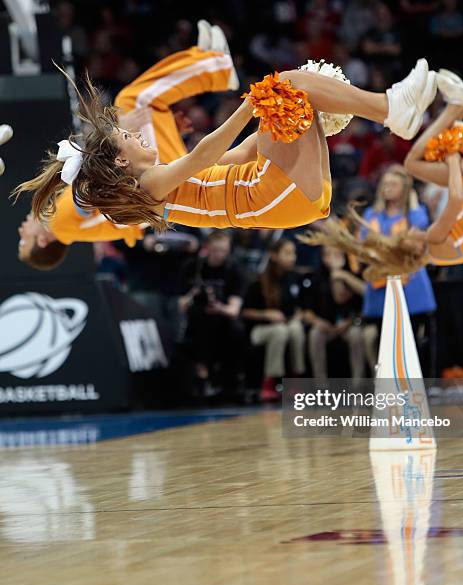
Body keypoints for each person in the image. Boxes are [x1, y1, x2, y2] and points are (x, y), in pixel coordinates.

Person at [13, 55, 438, 233]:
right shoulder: (152, 186)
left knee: (289, 94)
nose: (138, 133)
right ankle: (390, 109)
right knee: (283, 86)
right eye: (129, 136)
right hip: (271, 196)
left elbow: (233, 156)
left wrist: (269, 121)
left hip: (285, 196)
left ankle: (390, 110)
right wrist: (251, 106)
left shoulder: (161, 185)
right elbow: (206, 152)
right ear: (123, 161)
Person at [14, 22, 239, 269]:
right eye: (24, 242)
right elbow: (92, 187)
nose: (21, 231)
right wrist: (109, 140)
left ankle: (207, 61)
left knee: (144, 105)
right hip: (147, 183)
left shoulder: (68, 226)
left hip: (147, 188)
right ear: (43, 240)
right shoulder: (60, 224)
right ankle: (216, 67)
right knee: (134, 101)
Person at [300, 70, 463, 279]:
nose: (412, 229)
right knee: (423, 158)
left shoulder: (436, 253)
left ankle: (458, 106)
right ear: (414, 248)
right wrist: (452, 159)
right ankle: (457, 108)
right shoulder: (433, 243)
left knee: (412, 165)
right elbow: (454, 198)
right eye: (408, 235)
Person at [357, 165, 436, 371]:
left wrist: (413, 202)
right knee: (385, 340)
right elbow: (364, 243)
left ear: (405, 188)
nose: (388, 188)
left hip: (411, 286)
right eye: (385, 184)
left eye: (393, 184)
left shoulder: (415, 214)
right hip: (380, 286)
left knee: (413, 340)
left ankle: (416, 385)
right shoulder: (371, 214)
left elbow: (421, 230)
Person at [178, 231, 247, 399]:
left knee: (234, 331)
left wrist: (219, 307)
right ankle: (201, 377)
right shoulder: (192, 267)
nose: (220, 254)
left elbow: (234, 309)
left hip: (224, 320)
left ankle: (228, 379)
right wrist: (194, 294)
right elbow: (181, 304)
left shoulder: (235, 270)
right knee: (199, 326)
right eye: (216, 250)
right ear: (207, 248)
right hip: (198, 318)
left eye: (224, 250)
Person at [242, 239, 306, 402]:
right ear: (274, 255)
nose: (293, 257)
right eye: (287, 253)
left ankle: (296, 380)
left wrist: (299, 314)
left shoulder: (294, 278)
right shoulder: (259, 281)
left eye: (294, 253)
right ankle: (269, 382)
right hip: (261, 329)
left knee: (296, 328)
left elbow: (300, 307)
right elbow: (245, 312)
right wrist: (266, 314)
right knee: (280, 331)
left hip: (287, 324)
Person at [302, 246, 366, 382]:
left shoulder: (353, 274)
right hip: (326, 325)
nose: (333, 258)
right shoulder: (316, 278)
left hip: (349, 324)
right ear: (322, 257)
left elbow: (343, 297)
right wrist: (317, 322)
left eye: (337, 254)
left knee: (356, 335)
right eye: (328, 254)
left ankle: (358, 384)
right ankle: (321, 385)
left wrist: (340, 274)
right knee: (315, 334)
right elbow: (306, 311)